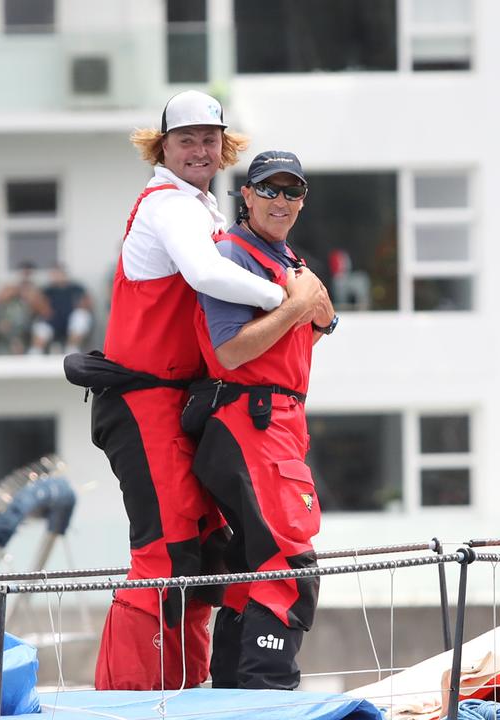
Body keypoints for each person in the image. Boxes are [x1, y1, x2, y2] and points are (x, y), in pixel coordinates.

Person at [81, 91, 294, 691]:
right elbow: (205, 275)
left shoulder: (205, 211)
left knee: (205, 555)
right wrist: (288, 301)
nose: (200, 150)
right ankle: (125, 701)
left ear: (223, 147)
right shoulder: (168, 206)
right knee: (167, 553)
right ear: (164, 147)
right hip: (145, 403)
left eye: (209, 140)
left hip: (180, 406)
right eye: (186, 140)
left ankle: (189, 691)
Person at [190, 150, 337, 690]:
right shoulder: (232, 255)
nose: (281, 200)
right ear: (245, 195)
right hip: (252, 419)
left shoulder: (283, 258)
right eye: (268, 190)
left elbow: (318, 321)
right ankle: (269, 692)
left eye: (291, 191)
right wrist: (303, 306)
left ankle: (234, 687)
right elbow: (229, 352)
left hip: (276, 422)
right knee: (289, 561)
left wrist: (316, 312)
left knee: (254, 559)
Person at [0, 261, 51, 355]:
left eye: (28, 273)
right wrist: (17, 292)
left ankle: (33, 355)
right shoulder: (11, 288)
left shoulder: (37, 290)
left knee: (41, 330)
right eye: (24, 273)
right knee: (6, 326)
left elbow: (46, 312)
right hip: (11, 325)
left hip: (29, 325)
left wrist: (33, 300)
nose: (26, 276)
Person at [32, 265, 93, 354]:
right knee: (41, 327)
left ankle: (72, 349)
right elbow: (38, 304)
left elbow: (87, 302)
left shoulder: (76, 288)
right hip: (53, 320)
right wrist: (44, 309)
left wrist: (81, 305)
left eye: (59, 273)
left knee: (81, 316)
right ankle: (36, 353)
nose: (57, 276)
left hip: (71, 320)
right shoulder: (48, 290)